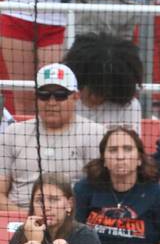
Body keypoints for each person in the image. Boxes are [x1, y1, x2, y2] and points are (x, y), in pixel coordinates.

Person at [0, 63, 105, 211]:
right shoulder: (13, 133)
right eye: (44, 95)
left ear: (76, 97)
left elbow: (100, 194)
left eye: (60, 95)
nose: (51, 102)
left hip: (72, 221)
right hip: (18, 218)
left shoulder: (95, 134)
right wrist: (28, 219)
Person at [0, 173, 103, 244]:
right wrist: (33, 242)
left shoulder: (84, 234)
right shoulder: (23, 231)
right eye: (40, 201)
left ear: (69, 204)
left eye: (53, 200)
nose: (46, 207)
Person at [62, 32, 143, 132]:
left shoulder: (129, 107)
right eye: (92, 88)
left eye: (103, 91)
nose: (94, 97)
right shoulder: (61, 101)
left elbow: (131, 145)